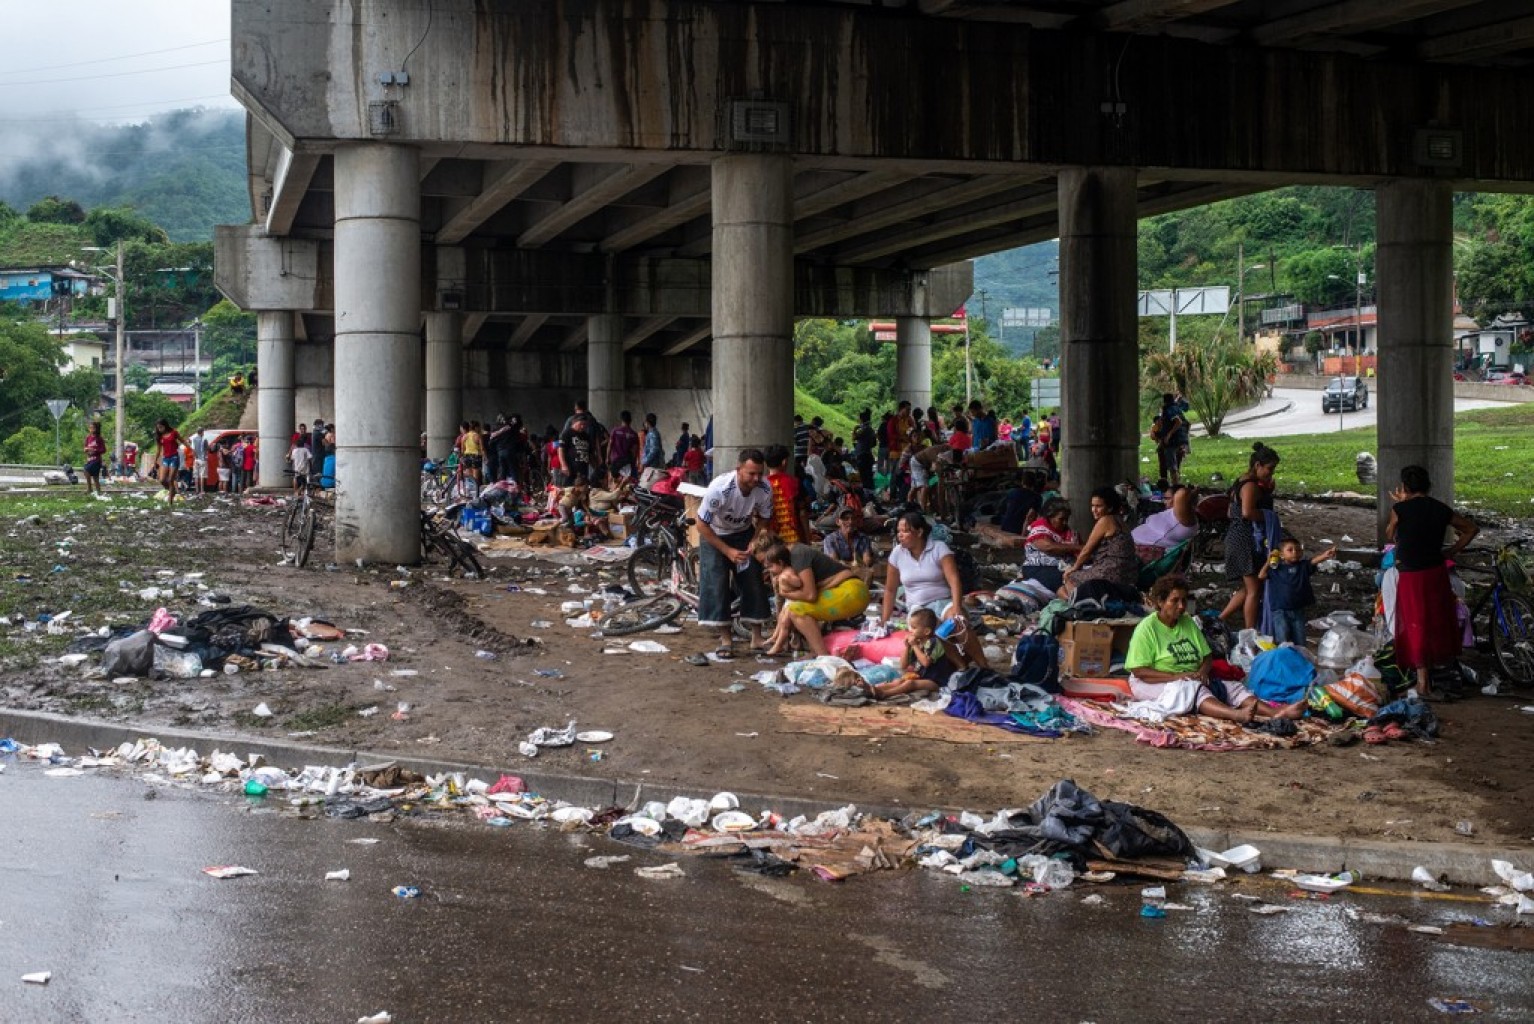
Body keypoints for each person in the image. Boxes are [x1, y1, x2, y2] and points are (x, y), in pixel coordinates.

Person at [1126, 575, 1305, 723]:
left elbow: (1207, 656)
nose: (1181, 606)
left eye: (1183, 600)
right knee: (1192, 689)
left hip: (1187, 676)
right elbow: (1139, 671)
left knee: (1233, 688)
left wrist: (1203, 672)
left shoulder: (1187, 622)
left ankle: (1277, 713)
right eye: (1174, 601)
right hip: (1150, 683)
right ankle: (1236, 715)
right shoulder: (1147, 628)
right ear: (1160, 602)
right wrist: (1176, 677)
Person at [1385, 465, 1479, 700]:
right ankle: (1437, 675)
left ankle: (1422, 683)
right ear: (1428, 485)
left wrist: (1399, 504)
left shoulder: (1400, 509)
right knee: (1435, 621)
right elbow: (1471, 529)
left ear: (1405, 487)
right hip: (1435, 572)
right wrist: (1452, 551)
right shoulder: (1440, 509)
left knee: (1415, 623)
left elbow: (1389, 534)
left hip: (1411, 575)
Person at [879, 511, 989, 668]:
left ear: (919, 532)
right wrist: (884, 620)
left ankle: (984, 666)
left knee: (959, 624)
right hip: (918, 607)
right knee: (932, 628)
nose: (900, 535)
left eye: (905, 531)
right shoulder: (897, 554)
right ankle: (961, 667)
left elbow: (954, 580)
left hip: (944, 602)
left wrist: (957, 608)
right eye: (898, 531)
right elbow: (890, 590)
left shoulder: (939, 548)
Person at [695, 449, 773, 656]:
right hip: (715, 536)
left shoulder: (764, 489)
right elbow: (701, 525)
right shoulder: (719, 489)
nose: (756, 479)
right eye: (751, 474)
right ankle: (725, 639)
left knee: (753, 580)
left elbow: (765, 517)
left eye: (759, 473)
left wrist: (756, 538)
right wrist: (727, 551)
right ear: (738, 470)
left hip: (744, 533)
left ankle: (757, 637)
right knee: (717, 583)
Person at [755, 537, 871, 657]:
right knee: (790, 609)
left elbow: (810, 595)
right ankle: (815, 651)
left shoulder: (798, 555)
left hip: (853, 591)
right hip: (848, 590)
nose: (766, 567)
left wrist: (785, 593)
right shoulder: (792, 559)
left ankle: (822, 655)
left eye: (767, 562)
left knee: (795, 610)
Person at [1220, 443, 1282, 629]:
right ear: (1258, 466)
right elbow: (1247, 512)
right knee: (1255, 590)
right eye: (1269, 469)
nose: (1271, 474)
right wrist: (1270, 517)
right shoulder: (1251, 486)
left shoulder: (1241, 481)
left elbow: (1231, 512)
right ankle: (1249, 632)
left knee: (1247, 588)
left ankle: (1220, 619)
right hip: (1245, 540)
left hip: (1236, 537)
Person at [1060, 486, 1138, 600]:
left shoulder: (1105, 520)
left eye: (1098, 506)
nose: (1093, 510)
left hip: (1111, 573)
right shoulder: (1121, 521)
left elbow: (1087, 550)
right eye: (1092, 505)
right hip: (1130, 575)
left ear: (1110, 507)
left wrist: (1074, 568)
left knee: (1069, 577)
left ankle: (1075, 600)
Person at [869, 607, 963, 700]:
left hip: (936, 682)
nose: (911, 631)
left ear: (926, 631)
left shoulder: (935, 642)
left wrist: (914, 645)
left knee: (910, 684)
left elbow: (926, 663)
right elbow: (903, 665)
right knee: (898, 681)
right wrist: (907, 647)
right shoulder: (917, 643)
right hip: (921, 678)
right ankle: (872, 690)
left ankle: (885, 694)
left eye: (914, 628)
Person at [1259, 535, 1337, 647]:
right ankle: (1284, 659)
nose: (1295, 552)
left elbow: (1313, 561)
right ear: (1281, 555)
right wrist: (1268, 561)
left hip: (1298, 610)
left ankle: (1299, 659)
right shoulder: (1276, 569)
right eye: (1290, 550)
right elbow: (1261, 576)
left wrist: (1325, 555)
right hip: (1280, 611)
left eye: (1298, 549)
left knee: (1300, 640)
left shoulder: (1303, 566)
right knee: (1282, 639)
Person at [1016, 498, 1080, 590]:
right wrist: (1079, 548)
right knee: (1060, 581)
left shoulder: (1068, 532)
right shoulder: (1040, 528)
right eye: (1061, 519)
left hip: (1062, 568)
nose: (1065, 522)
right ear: (1050, 517)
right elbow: (1048, 547)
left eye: (1067, 519)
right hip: (1039, 567)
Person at [1131, 483, 1199, 556]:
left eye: (1168, 498)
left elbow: (1182, 493)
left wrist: (1194, 491)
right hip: (1132, 542)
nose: (1164, 502)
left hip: (1137, 548)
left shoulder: (1185, 519)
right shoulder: (1170, 513)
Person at [764, 444, 808, 545]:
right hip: (793, 539)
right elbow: (803, 513)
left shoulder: (761, 486)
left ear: (766, 464)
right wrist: (807, 539)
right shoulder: (794, 482)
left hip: (771, 540)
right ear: (784, 462)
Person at [1152, 394, 1191, 486]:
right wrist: (1185, 436)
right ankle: (1177, 484)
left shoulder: (1169, 409)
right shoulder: (1177, 408)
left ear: (1164, 401)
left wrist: (1169, 435)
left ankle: (1175, 486)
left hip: (1172, 441)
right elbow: (1187, 423)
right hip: (1180, 440)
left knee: (1172, 466)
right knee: (1176, 464)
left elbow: (1178, 421)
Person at [152, 419, 181, 506]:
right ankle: (173, 491)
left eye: (161, 427)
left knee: (171, 479)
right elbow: (158, 450)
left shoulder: (174, 433)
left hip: (174, 457)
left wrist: (191, 450)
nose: (159, 429)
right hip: (165, 458)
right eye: (158, 428)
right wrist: (155, 461)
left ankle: (170, 501)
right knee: (162, 480)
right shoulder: (159, 437)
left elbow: (182, 440)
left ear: (165, 426)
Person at [608, 410, 639, 480]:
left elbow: (610, 445)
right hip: (627, 462)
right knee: (626, 482)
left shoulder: (615, 431)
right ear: (630, 420)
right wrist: (633, 462)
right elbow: (634, 450)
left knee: (614, 481)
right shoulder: (633, 434)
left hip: (615, 461)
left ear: (621, 419)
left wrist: (607, 458)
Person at [639, 412, 667, 487]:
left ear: (647, 423)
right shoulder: (653, 433)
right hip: (653, 465)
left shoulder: (652, 434)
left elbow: (654, 450)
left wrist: (644, 462)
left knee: (649, 486)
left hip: (653, 466)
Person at [851, 409, 876, 492]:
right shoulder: (870, 429)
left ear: (861, 419)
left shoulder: (864, 429)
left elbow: (854, 438)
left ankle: (867, 493)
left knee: (864, 476)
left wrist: (855, 429)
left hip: (863, 455)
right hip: (867, 454)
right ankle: (870, 492)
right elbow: (874, 443)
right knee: (868, 475)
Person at [82, 421, 107, 496]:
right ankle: (99, 492)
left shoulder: (99, 438)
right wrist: (86, 450)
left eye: (93, 428)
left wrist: (95, 450)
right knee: (96, 478)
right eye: (90, 428)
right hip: (90, 459)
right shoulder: (88, 438)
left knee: (86, 470)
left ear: (96, 429)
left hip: (96, 460)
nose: (91, 429)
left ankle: (89, 489)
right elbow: (85, 448)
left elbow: (104, 450)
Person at [189, 427, 209, 497]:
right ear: (202, 432)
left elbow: (193, 450)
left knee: (196, 475)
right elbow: (207, 450)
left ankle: (197, 490)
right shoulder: (204, 440)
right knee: (202, 475)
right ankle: (202, 490)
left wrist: (195, 458)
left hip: (196, 460)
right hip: (203, 460)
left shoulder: (193, 439)